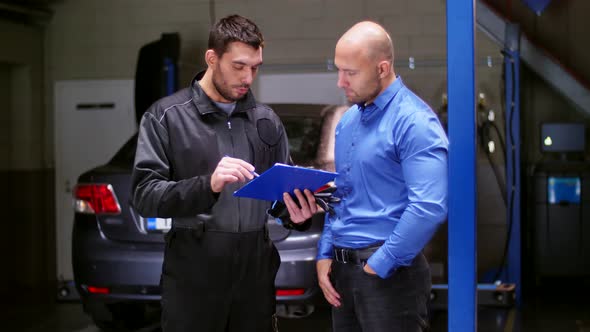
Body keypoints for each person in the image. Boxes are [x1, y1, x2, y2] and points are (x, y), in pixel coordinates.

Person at [131, 14, 316, 332]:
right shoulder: (166, 118)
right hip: (194, 282)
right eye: (239, 66)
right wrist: (208, 185)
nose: (248, 77)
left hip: (254, 283)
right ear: (211, 58)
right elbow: (144, 196)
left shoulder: (266, 121)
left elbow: (279, 196)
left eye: (255, 67)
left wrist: (296, 214)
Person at [284, 21, 448, 331]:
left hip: (389, 275)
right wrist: (325, 252)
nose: (340, 82)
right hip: (343, 274)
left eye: (351, 72)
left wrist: (381, 264)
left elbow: (428, 206)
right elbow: (343, 196)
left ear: (382, 68)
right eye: (338, 70)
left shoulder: (414, 122)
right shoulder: (348, 123)